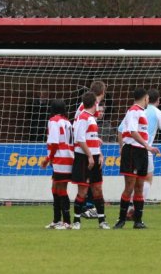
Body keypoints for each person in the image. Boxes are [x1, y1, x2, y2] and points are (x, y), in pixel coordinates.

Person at [120, 89, 161, 220]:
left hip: (130, 149)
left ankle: (129, 211)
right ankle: (133, 210)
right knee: (145, 181)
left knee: (131, 183)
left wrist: (122, 147)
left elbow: (120, 130)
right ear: (157, 100)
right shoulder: (157, 113)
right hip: (144, 150)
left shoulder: (133, 110)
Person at [114, 88, 160, 229]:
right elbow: (133, 132)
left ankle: (138, 221)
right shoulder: (134, 110)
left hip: (141, 153)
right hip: (132, 152)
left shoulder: (141, 112)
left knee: (139, 186)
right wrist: (147, 146)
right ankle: (121, 220)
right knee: (129, 186)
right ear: (145, 98)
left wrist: (145, 148)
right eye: (147, 99)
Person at [70, 92, 110, 229]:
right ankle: (76, 221)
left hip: (94, 156)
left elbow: (91, 139)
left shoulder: (91, 118)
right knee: (83, 190)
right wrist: (89, 156)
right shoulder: (83, 118)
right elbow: (79, 139)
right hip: (84, 158)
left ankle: (102, 221)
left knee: (97, 188)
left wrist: (99, 154)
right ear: (94, 104)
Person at [75, 81, 106, 219]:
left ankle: (89, 207)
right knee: (85, 180)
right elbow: (80, 126)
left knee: (93, 181)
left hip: (88, 145)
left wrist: (95, 140)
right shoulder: (86, 108)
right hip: (81, 148)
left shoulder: (92, 107)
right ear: (103, 92)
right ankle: (87, 207)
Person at [42, 99, 74, 229]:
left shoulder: (54, 121)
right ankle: (56, 220)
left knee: (61, 189)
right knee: (55, 187)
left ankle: (67, 222)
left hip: (61, 158)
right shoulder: (67, 122)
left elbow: (54, 143)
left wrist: (48, 158)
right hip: (67, 158)